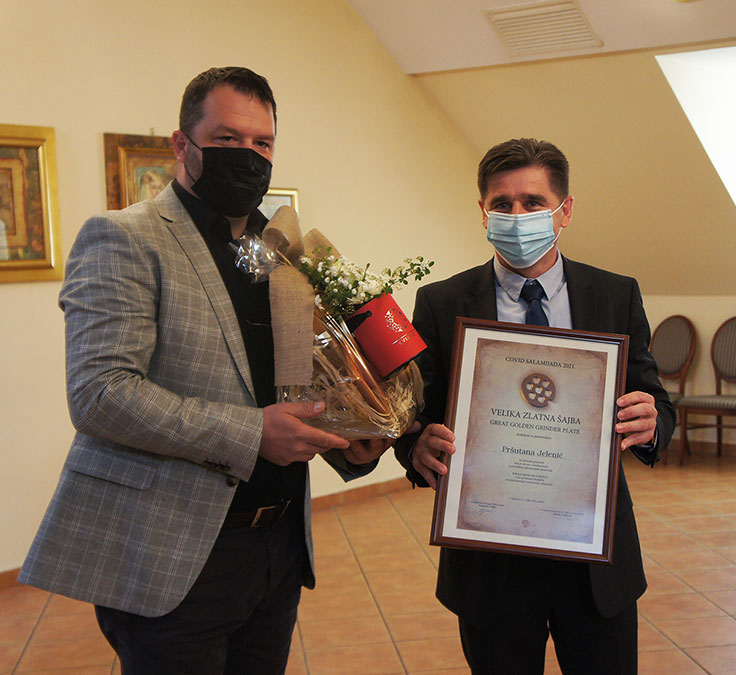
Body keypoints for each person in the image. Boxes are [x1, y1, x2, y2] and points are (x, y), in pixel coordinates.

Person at [18, 66, 393, 674]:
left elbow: (296, 379)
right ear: (181, 143)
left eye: (262, 143)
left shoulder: (283, 250)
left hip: (277, 547)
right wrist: (253, 433)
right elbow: (100, 393)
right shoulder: (125, 238)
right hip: (174, 552)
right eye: (226, 139)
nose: (247, 155)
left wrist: (351, 439)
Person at [394, 138, 675, 674]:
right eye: (502, 204)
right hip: (490, 559)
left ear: (564, 211)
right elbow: (414, 414)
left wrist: (653, 421)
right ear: (483, 212)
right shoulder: (441, 302)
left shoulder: (615, 294)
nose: (517, 216)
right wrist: (416, 447)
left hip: (594, 557)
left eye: (533, 202)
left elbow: (654, 397)